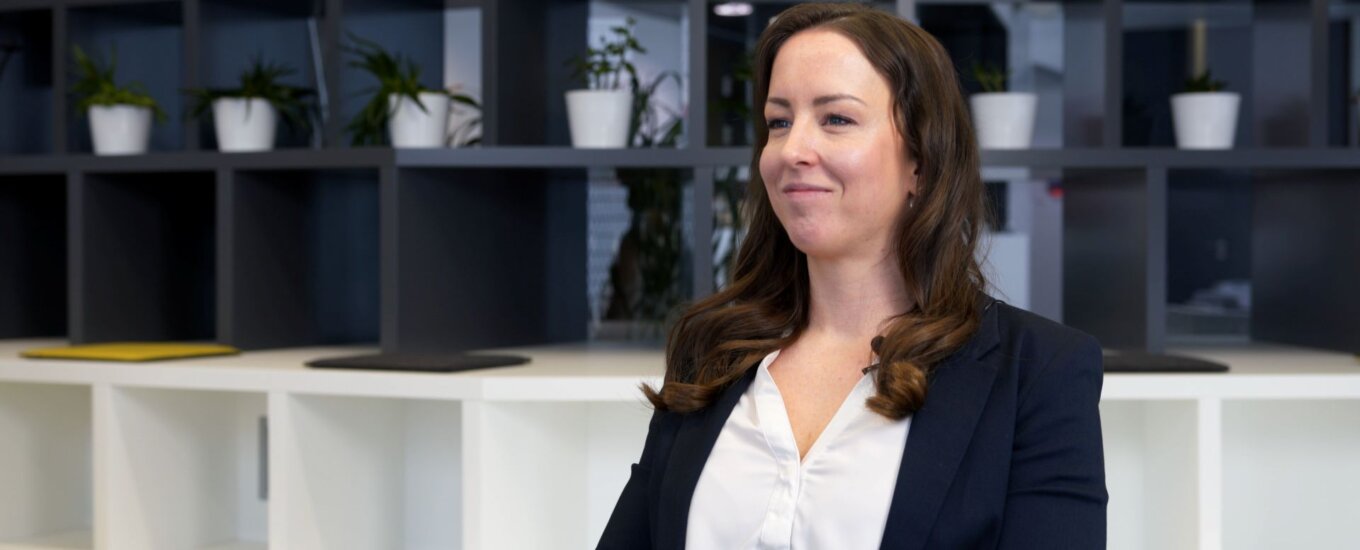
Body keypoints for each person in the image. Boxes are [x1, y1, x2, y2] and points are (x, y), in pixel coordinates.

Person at [598, 3, 1107, 549]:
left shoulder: (1036, 372)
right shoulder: (713, 350)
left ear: (921, 161)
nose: (792, 150)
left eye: (836, 118)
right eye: (779, 122)